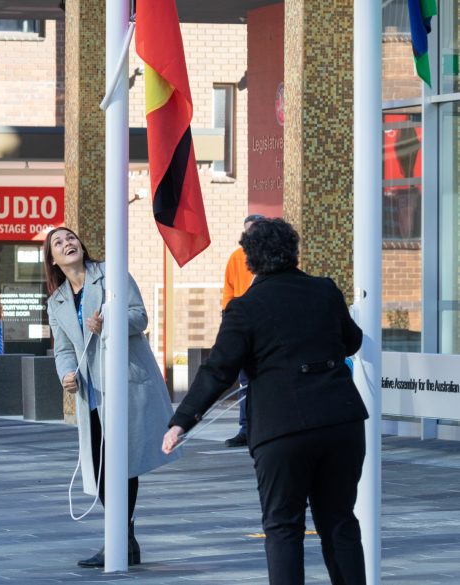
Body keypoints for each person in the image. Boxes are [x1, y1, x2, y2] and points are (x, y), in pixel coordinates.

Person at [163, 218, 367, 585]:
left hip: (281, 429)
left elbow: (218, 370)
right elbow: (352, 341)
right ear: (293, 251)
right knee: (340, 521)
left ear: (250, 260)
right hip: (341, 420)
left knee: (283, 527)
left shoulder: (245, 307)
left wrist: (182, 420)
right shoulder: (325, 290)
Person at [45, 227, 177, 568]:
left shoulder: (110, 275)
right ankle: (125, 539)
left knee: (123, 462)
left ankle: (118, 539)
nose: (67, 244)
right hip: (91, 392)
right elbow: (62, 349)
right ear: (54, 260)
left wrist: (109, 323)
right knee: (102, 467)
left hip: (123, 385)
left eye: (70, 238)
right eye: (58, 243)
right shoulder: (56, 300)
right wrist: (66, 375)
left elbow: (140, 317)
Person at [221, 213, 264, 448]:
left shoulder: (272, 258)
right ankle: (246, 429)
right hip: (242, 328)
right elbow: (228, 290)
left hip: (265, 328)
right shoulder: (236, 258)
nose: (250, 235)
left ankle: (263, 427)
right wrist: (228, 318)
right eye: (247, 231)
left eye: (255, 230)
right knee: (245, 381)